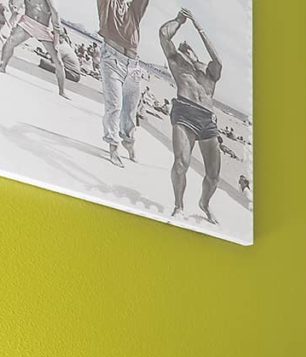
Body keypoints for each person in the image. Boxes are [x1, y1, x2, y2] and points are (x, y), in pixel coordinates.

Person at [160, 8, 224, 225]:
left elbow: (218, 60)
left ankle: (204, 204)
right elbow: (163, 34)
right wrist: (179, 21)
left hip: (207, 120)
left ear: (195, 53)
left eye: (188, 49)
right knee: (181, 163)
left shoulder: (210, 74)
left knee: (213, 176)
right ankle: (178, 206)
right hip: (185, 112)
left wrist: (199, 27)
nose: (184, 50)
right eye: (182, 49)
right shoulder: (177, 64)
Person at [96, 0, 151, 167]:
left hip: (133, 66)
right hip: (112, 61)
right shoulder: (108, 4)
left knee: (130, 111)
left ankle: (128, 141)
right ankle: (113, 147)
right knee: (115, 106)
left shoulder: (133, 10)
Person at [0, 0, 68, 99]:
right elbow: (16, 4)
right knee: (9, 42)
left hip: (43, 27)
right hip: (27, 21)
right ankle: (2, 67)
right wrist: (13, 13)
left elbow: (55, 12)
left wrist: (56, 36)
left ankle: (62, 91)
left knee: (58, 60)